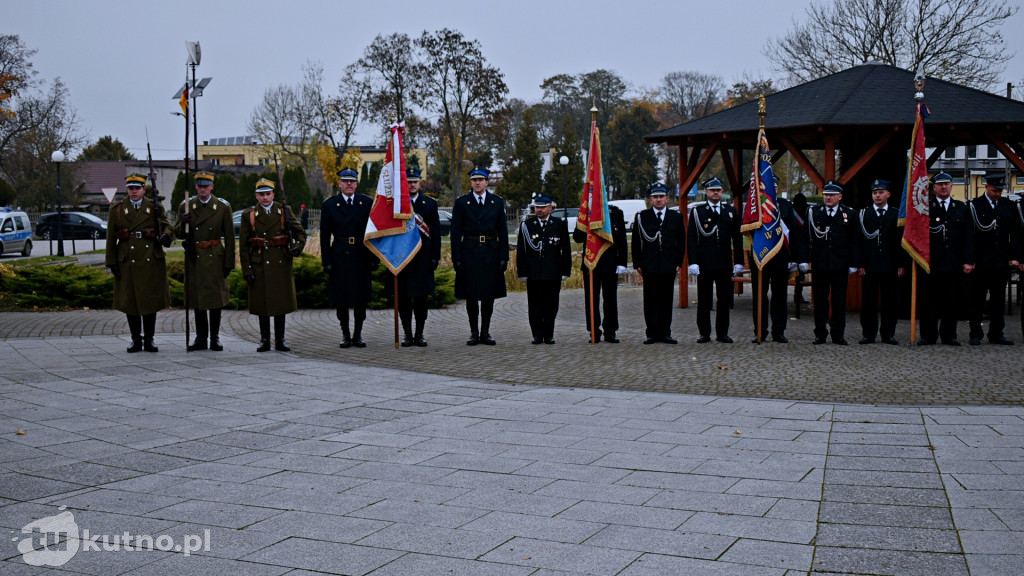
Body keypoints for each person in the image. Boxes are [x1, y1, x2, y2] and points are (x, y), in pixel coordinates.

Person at [105, 173, 172, 353]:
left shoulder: (154, 207)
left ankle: (149, 339)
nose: (134, 191)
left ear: (144, 189)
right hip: (127, 259)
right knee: (130, 301)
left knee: (149, 301)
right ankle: (136, 339)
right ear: (127, 189)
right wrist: (112, 262)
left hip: (150, 257)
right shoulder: (118, 209)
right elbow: (111, 238)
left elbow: (166, 225)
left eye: (137, 188)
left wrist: (165, 235)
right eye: (131, 188)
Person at [240, 178, 307, 352]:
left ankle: (280, 339)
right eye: (261, 194)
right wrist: (246, 268)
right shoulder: (249, 214)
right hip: (259, 262)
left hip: (280, 261)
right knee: (262, 303)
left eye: (267, 194)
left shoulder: (284, 210)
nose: (264, 197)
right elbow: (244, 245)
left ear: (273, 195)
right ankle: (264, 339)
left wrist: (297, 247)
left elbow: (300, 232)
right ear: (256, 195)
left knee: (280, 302)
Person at [174, 170, 235, 352]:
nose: (203, 189)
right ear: (195, 187)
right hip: (195, 256)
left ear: (212, 186)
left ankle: (215, 337)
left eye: (206, 185)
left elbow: (230, 237)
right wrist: (183, 222)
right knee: (198, 300)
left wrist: (229, 262)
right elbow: (177, 234)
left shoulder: (223, 207)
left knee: (215, 300)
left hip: (214, 255)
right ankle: (201, 337)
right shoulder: (186, 206)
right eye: (199, 186)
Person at [450, 167, 509, 345]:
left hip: (491, 251)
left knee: (488, 295)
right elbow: (455, 233)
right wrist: (457, 258)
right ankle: (474, 332)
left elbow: (503, 232)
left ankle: (485, 331)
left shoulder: (497, 203)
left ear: (486, 182)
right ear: (471, 182)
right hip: (470, 252)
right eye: (474, 180)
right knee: (471, 295)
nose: (477, 183)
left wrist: (503, 257)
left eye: (480, 180)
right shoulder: (462, 203)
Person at [321, 167, 375, 348]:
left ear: (357, 184)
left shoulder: (367, 203)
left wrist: (374, 258)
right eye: (345, 181)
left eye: (352, 181)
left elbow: (373, 233)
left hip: (361, 255)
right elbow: (324, 237)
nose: (349, 184)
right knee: (341, 299)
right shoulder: (330, 205)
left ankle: (358, 335)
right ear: (340, 184)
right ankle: (345, 334)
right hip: (339, 256)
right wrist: (326, 260)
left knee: (361, 299)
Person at [387, 168, 442, 347]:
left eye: (415, 181)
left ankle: (419, 334)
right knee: (403, 298)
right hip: (403, 257)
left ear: (420, 183)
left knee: (421, 299)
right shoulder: (397, 204)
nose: (412, 184)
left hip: (423, 258)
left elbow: (435, 233)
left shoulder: (430, 204)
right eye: (409, 181)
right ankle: (407, 334)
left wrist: (435, 256)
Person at [919, 172, 974, 346]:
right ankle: (928, 335)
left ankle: (949, 335)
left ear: (951, 186)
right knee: (929, 302)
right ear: (933, 188)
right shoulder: (925, 208)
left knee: (951, 302)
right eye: (940, 184)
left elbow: (968, 237)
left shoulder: (961, 208)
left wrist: (968, 260)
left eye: (947, 184)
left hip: (953, 263)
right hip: (931, 263)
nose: (944, 187)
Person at [800, 181, 858, 345]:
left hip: (840, 263)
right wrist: (804, 260)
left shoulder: (848, 213)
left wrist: (854, 262)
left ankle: (838, 334)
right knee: (820, 300)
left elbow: (854, 240)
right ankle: (820, 333)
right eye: (826, 194)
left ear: (840, 196)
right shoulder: (813, 212)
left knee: (839, 301)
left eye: (832, 195)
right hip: (820, 263)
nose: (828, 197)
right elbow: (804, 237)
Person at [687, 177, 744, 343]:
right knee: (704, 299)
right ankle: (704, 332)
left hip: (724, 262)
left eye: (718, 190)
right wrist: (693, 262)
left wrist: (738, 261)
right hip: (705, 262)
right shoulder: (698, 212)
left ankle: (722, 333)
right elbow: (692, 238)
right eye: (712, 190)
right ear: (706, 192)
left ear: (722, 191)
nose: (716, 193)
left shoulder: (730, 211)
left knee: (724, 299)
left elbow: (737, 238)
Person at [967, 174, 1018, 345]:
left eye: (1000, 190)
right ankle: (975, 333)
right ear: (987, 187)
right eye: (995, 190)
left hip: (1001, 261)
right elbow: (969, 236)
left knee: (998, 300)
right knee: (977, 300)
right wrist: (970, 259)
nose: (998, 194)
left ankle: (996, 333)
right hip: (981, 262)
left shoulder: (1009, 206)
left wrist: (1014, 257)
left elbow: (1015, 235)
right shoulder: (974, 206)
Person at [632, 183, 685, 344]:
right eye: (655, 197)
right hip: (649, 264)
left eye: (661, 197)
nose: (659, 200)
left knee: (666, 299)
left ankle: (665, 332)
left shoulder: (676, 217)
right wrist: (637, 263)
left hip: (669, 264)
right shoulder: (642, 216)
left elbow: (681, 241)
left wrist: (679, 262)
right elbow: (636, 242)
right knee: (650, 299)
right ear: (651, 199)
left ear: (667, 198)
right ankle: (652, 333)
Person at [517, 194, 572, 344]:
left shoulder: (559, 224)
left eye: (542, 207)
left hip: (552, 272)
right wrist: (522, 271)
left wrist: (565, 270)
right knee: (535, 304)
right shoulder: (527, 225)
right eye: (537, 207)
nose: (539, 210)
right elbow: (522, 250)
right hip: (533, 272)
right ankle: (537, 334)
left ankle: (549, 334)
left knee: (551, 304)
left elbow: (565, 249)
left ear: (550, 208)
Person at [856, 179, 905, 345]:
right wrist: (860, 263)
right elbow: (859, 242)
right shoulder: (863, 214)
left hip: (890, 265)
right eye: (875, 193)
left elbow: (900, 242)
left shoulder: (896, 214)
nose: (878, 195)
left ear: (888, 194)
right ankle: (868, 334)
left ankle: (888, 334)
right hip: (870, 265)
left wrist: (900, 264)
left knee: (890, 302)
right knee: (868, 301)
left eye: (881, 192)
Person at [750, 186, 802, 343]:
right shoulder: (755, 206)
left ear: (777, 188)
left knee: (779, 295)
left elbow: (793, 231)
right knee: (759, 295)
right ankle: (760, 330)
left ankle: (778, 331)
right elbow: (747, 230)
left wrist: (794, 258)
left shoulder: (785, 205)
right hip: (760, 256)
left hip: (781, 256)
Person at [572, 203, 628, 343]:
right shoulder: (587, 212)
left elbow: (622, 240)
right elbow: (577, 237)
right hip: (591, 263)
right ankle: (593, 331)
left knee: (610, 299)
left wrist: (622, 262)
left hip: (610, 263)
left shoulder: (615, 213)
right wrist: (587, 223)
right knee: (591, 299)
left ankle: (610, 331)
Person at [791, 192, 810, 305]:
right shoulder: (791, 211)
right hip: (793, 246)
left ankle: (798, 295)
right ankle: (797, 296)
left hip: (803, 246)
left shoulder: (808, 212)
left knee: (801, 275)